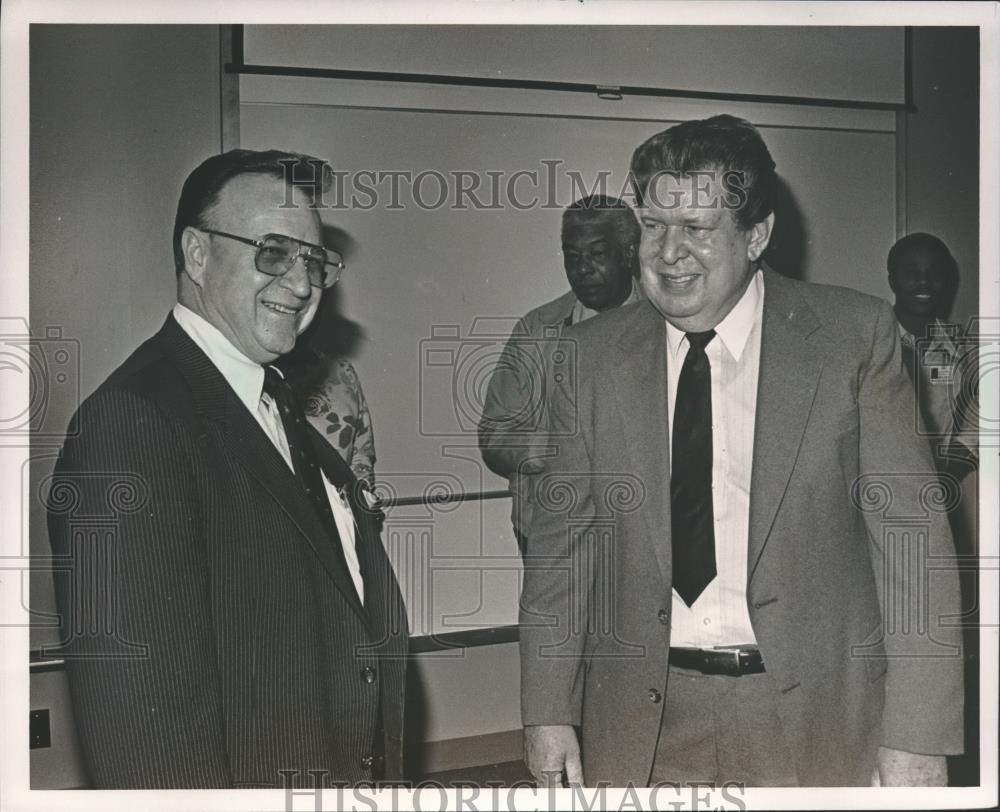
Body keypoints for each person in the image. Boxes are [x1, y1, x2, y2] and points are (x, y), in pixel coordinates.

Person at [519, 115, 964, 788]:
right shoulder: (587, 358)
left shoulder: (853, 339)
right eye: (653, 224)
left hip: (812, 718)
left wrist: (919, 737)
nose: (668, 253)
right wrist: (546, 712)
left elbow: (913, 548)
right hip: (641, 719)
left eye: (697, 229)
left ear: (757, 235)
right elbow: (560, 552)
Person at [46, 149, 408, 788]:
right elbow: (145, 743)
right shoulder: (130, 424)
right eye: (273, 251)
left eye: (314, 261)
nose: (300, 285)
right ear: (196, 253)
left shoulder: (278, 411)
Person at [478, 194, 642, 551]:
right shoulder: (538, 328)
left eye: (597, 254)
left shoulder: (668, 325)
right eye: (572, 256)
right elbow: (494, 435)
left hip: (642, 534)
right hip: (551, 531)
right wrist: (540, 449)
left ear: (629, 253)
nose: (582, 268)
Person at [887, 232, 977, 473]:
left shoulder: (964, 346)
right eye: (910, 272)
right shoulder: (869, 341)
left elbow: (983, 409)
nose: (923, 282)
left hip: (939, 489)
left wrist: (955, 465)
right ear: (892, 280)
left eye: (934, 273)